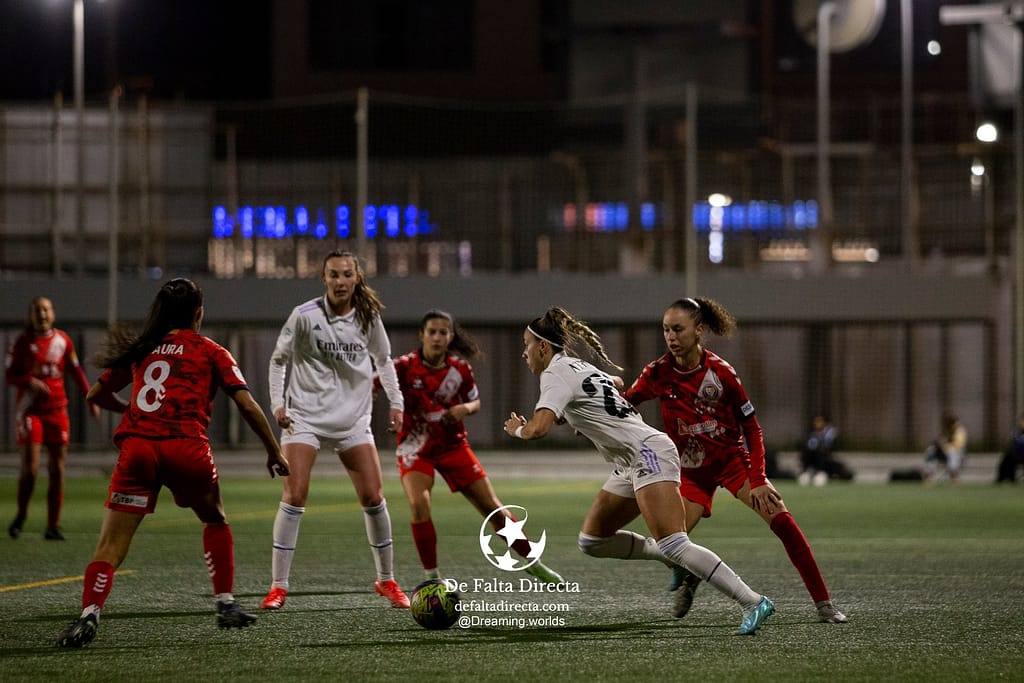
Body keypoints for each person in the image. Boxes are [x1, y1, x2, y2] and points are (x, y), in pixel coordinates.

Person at [503, 306, 775, 635]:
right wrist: (582, 414)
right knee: (592, 540)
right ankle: (673, 562)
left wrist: (517, 429)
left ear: (543, 347)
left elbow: (539, 429)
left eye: (526, 345)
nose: (524, 353)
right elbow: (613, 383)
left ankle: (752, 600)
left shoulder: (554, 375)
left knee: (675, 542)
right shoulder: (576, 366)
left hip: (647, 452)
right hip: (630, 461)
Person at [56, 278, 290, 648]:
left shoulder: (142, 349)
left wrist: (129, 409)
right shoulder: (212, 350)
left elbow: (95, 393)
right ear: (199, 313)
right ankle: (225, 603)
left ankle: (89, 614)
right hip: (187, 449)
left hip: (138, 451)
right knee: (215, 518)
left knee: (110, 546)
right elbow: (246, 403)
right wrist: (273, 450)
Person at [619, 297, 847, 624]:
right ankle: (690, 574)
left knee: (783, 521)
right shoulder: (658, 373)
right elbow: (626, 406)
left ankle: (824, 604)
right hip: (689, 473)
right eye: (666, 329)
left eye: (678, 329)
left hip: (731, 463)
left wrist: (758, 479)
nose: (670, 336)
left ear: (699, 330)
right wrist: (588, 412)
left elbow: (751, 427)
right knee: (669, 544)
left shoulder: (720, 373)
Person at [262, 250, 409, 610]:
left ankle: (387, 581)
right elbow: (278, 360)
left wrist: (397, 402)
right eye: (333, 275)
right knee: (295, 495)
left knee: (374, 497)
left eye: (346, 275)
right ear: (324, 279)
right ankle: (278, 587)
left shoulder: (368, 317)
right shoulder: (304, 316)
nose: (340, 281)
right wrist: (277, 405)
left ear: (357, 278)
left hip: (352, 421)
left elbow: (384, 361)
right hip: (305, 418)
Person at [390, 309, 563, 583]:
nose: (437, 337)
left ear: (450, 337)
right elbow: (373, 386)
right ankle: (432, 578)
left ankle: (533, 562)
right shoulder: (401, 367)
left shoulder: (459, 370)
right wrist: (394, 409)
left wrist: (463, 409)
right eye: (431, 332)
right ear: (421, 335)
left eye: (443, 332)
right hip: (415, 447)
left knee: (493, 508)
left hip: (452, 446)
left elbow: (475, 402)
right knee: (418, 504)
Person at [6, 296, 100, 541]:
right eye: (37, 310)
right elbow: (9, 375)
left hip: (57, 411)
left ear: (53, 314)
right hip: (30, 412)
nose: (42, 314)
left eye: (46, 310)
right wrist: (30, 381)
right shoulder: (22, 343)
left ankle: (52, 526)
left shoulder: (63, 341)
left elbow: (76, 370)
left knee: (57, 469)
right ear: (31, 315)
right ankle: (21, 515)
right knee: (31, 470)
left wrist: (90, 397)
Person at [799, 414, 853, 485]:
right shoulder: (811, 434)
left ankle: (822, 473)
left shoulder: (829, 432)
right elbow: (807, 448)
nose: (818, 424)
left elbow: (829, 446)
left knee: (822, 454)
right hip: (812, 460)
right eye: (816, 422)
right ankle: (808, 472)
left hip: (825, 460)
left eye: (820, 421)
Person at [923, 410, 967, 484]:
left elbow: (958, 445)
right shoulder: (945, 430)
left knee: (952, 451)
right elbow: (941, 440)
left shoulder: (959, 430)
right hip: (943, 453)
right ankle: (929, 475)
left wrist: (945, 446)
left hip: (957, 454)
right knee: (930, 450)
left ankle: (953, 476)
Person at [996, 413, 1024, 483]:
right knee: (1008, 456)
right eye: (1022, 421)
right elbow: (1015, 442)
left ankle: (1011, 478)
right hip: (1019, 454)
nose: (1022, 423)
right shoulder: (1018, 431)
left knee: (1011, 455)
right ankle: (1004, 478)